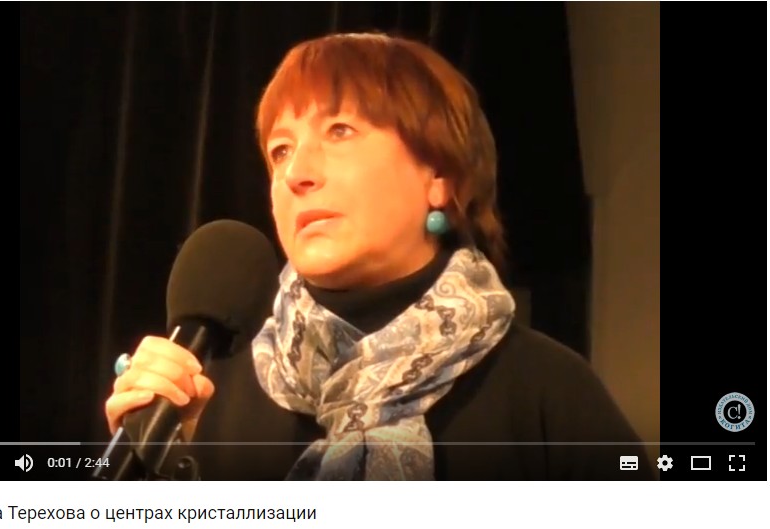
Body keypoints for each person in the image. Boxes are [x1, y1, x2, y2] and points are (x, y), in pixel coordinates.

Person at [105, 32, 654, 480]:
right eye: (281, 150)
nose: (297, 173)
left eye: (340, 130)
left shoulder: (545, 393)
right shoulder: (213, 401)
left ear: (438, 175)